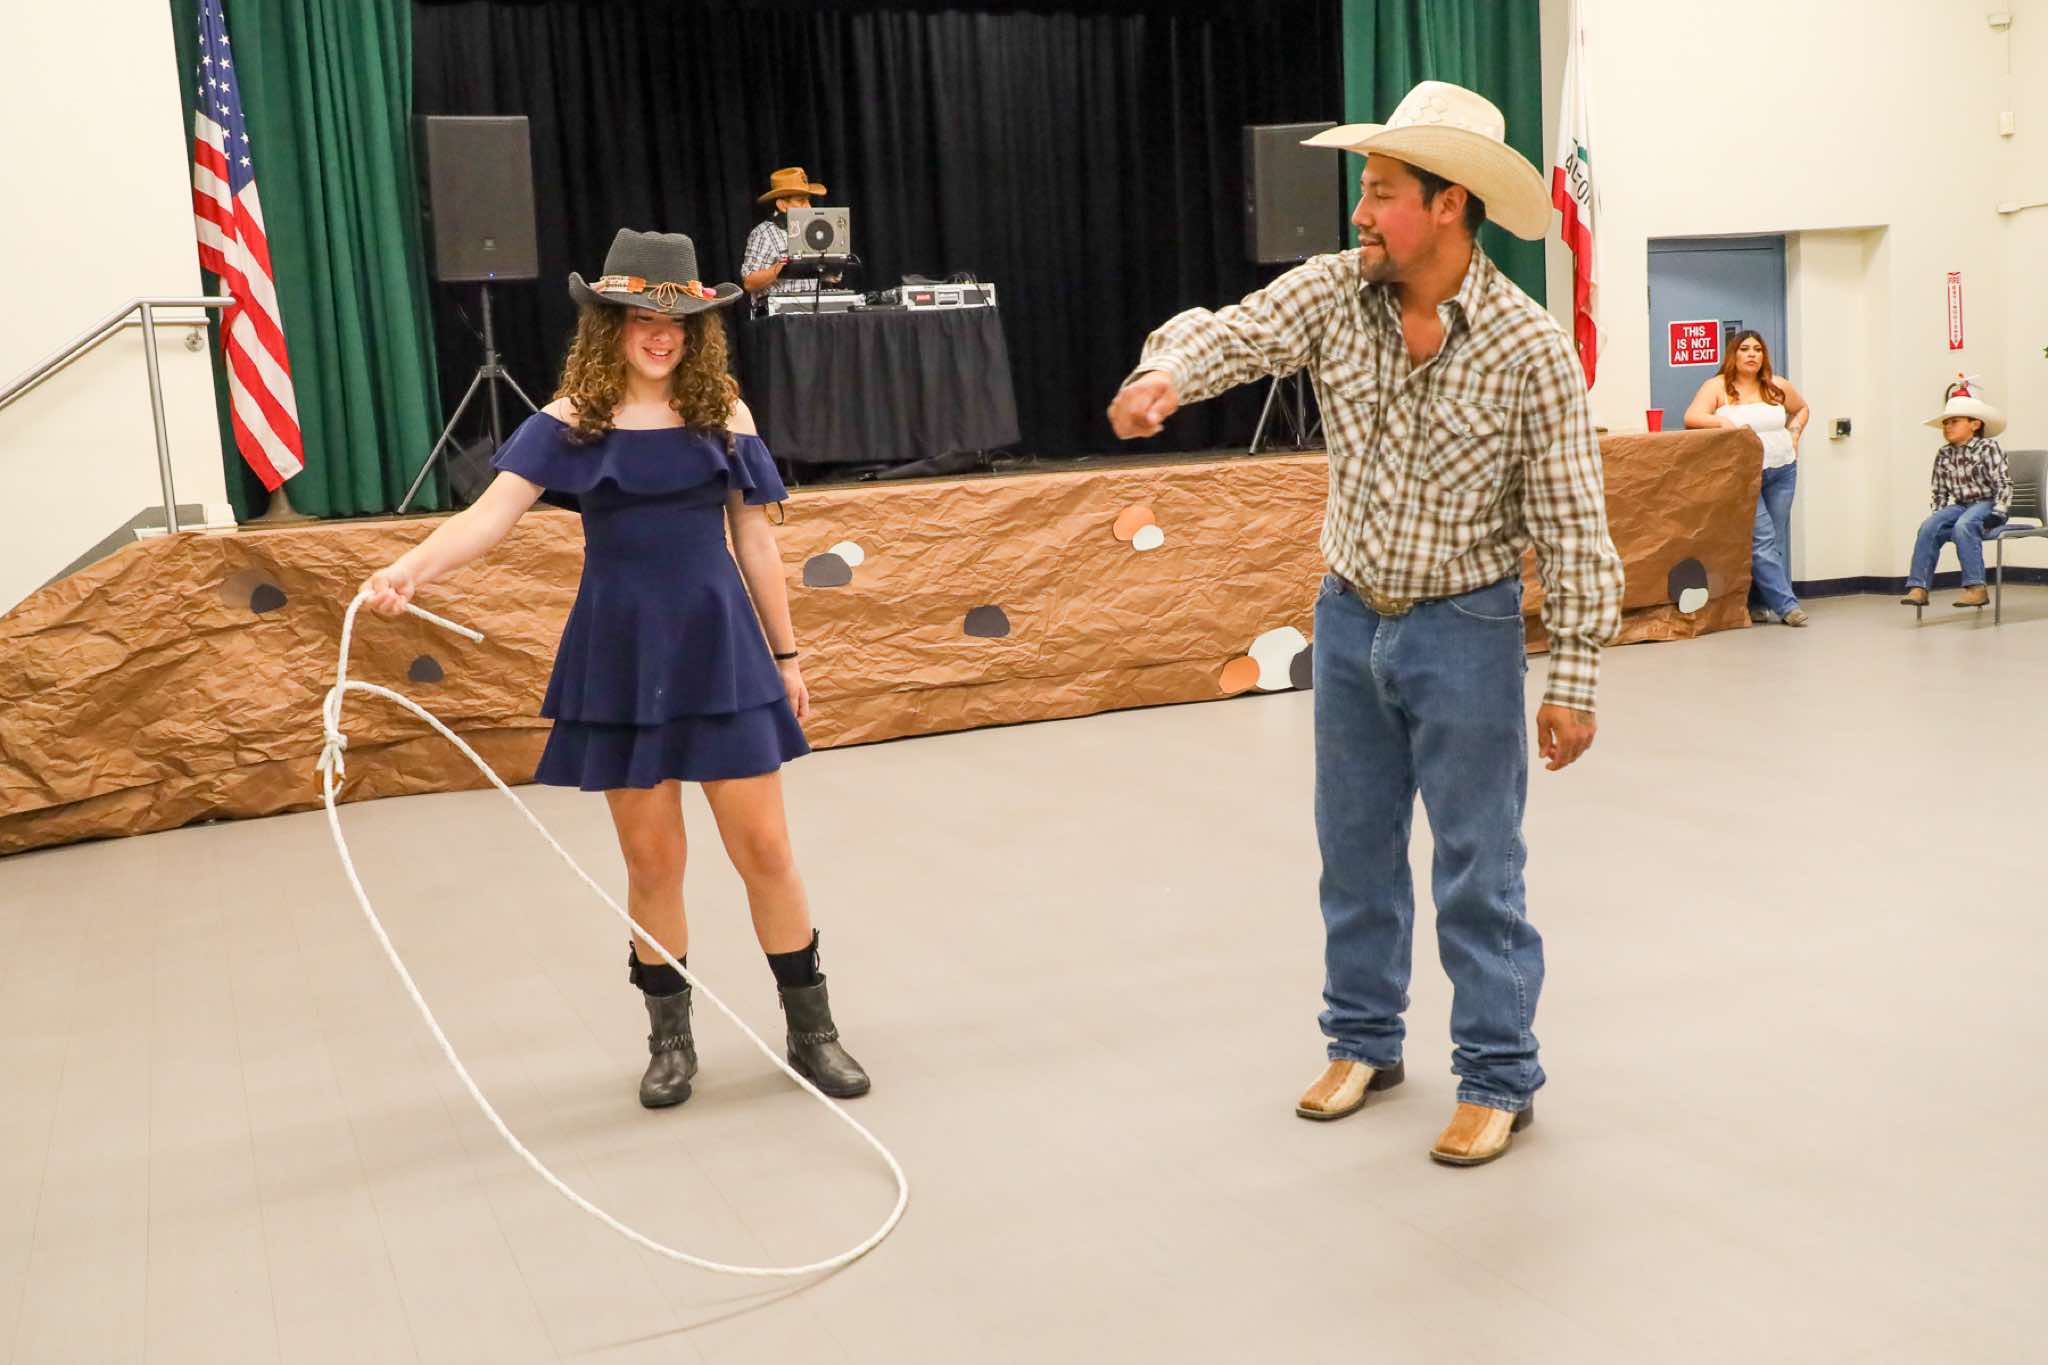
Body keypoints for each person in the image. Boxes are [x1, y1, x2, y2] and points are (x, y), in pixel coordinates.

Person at [1107, 82, 1623, 1167]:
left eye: (1381, 191)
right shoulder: (1338, 293)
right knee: (1352, 854)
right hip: (1347, 622)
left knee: (1478, 869)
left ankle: (1496, 1077)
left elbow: (1574, 525)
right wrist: (1164, 376)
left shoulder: (1528, 349)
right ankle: (1362, 1043)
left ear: (1447, 204)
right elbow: (1233, 332)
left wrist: (1573, 680)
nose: (1358, 212)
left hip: (1467, 629)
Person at [361, 228, 871, 1109]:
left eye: (675, 321)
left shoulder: (726, 414)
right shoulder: (570, 422)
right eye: (641, 318)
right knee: (652, 861)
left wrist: (787, 655)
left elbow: (754, 539)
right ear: (611, 325)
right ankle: (670, 1041)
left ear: (696, 329)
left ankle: (812, 1030)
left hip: (722, 654)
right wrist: (407, 570)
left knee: (766, 849)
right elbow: (487, 519)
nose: (660, 335)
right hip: (622, 658)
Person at [1682, 331, 1811, 626]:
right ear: (1734, 354)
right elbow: (1692, 416)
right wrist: (1721, 421)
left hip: (1782, 469)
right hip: (1743, 473)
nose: (1752, 354)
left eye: (1757, 349)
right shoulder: (1717, 386)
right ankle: (1788, 606)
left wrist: (1794, 434)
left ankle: (1758, 603)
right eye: (1745, 349)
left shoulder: (1777, 385)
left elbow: (1802, 409)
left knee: (1774, 539)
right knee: (1762, 539)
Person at [1901, 379, 2010, 608]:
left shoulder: (1988, 448)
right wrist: (1938, 517)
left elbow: (2003, 483)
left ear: (1975, 424)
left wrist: (1998, 513)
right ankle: (1919, 587)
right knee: (1929, 527)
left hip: (1987, 503)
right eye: (1946, 423)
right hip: (1961, 505)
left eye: (1955, 422)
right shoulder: (1944, 454)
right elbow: (1939, 491)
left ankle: (1976, 587)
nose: (1948, 427)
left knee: (1964, 525)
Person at [740, 166, 835, 305]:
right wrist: (781, 267)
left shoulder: (813, 230)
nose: (809, 207)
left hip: (814, 310)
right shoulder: (763, 233)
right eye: (801, 201)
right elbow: (749, 283)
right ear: (782, 205)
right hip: (780, 314)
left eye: (808, 200)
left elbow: (821, 274)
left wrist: (830, 270)